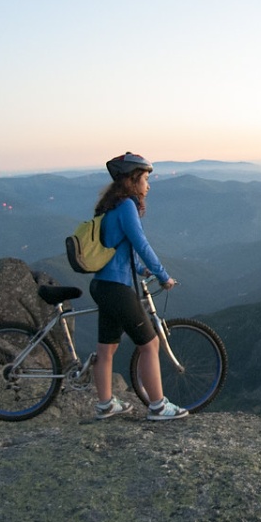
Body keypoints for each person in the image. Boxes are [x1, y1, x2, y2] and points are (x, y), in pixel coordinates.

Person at [89, 152, 188, 420]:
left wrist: (142, 270)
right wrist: (163, 275)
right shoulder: (126, 207)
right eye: (145, 178)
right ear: (133, 179)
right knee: (150, 344)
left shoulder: (110, 207)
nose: (148, 184)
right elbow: (140, 243)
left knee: (106, 349)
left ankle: (105, 405)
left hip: (102, 285)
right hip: (117, 288)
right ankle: (157, 406)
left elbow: (119, 249)